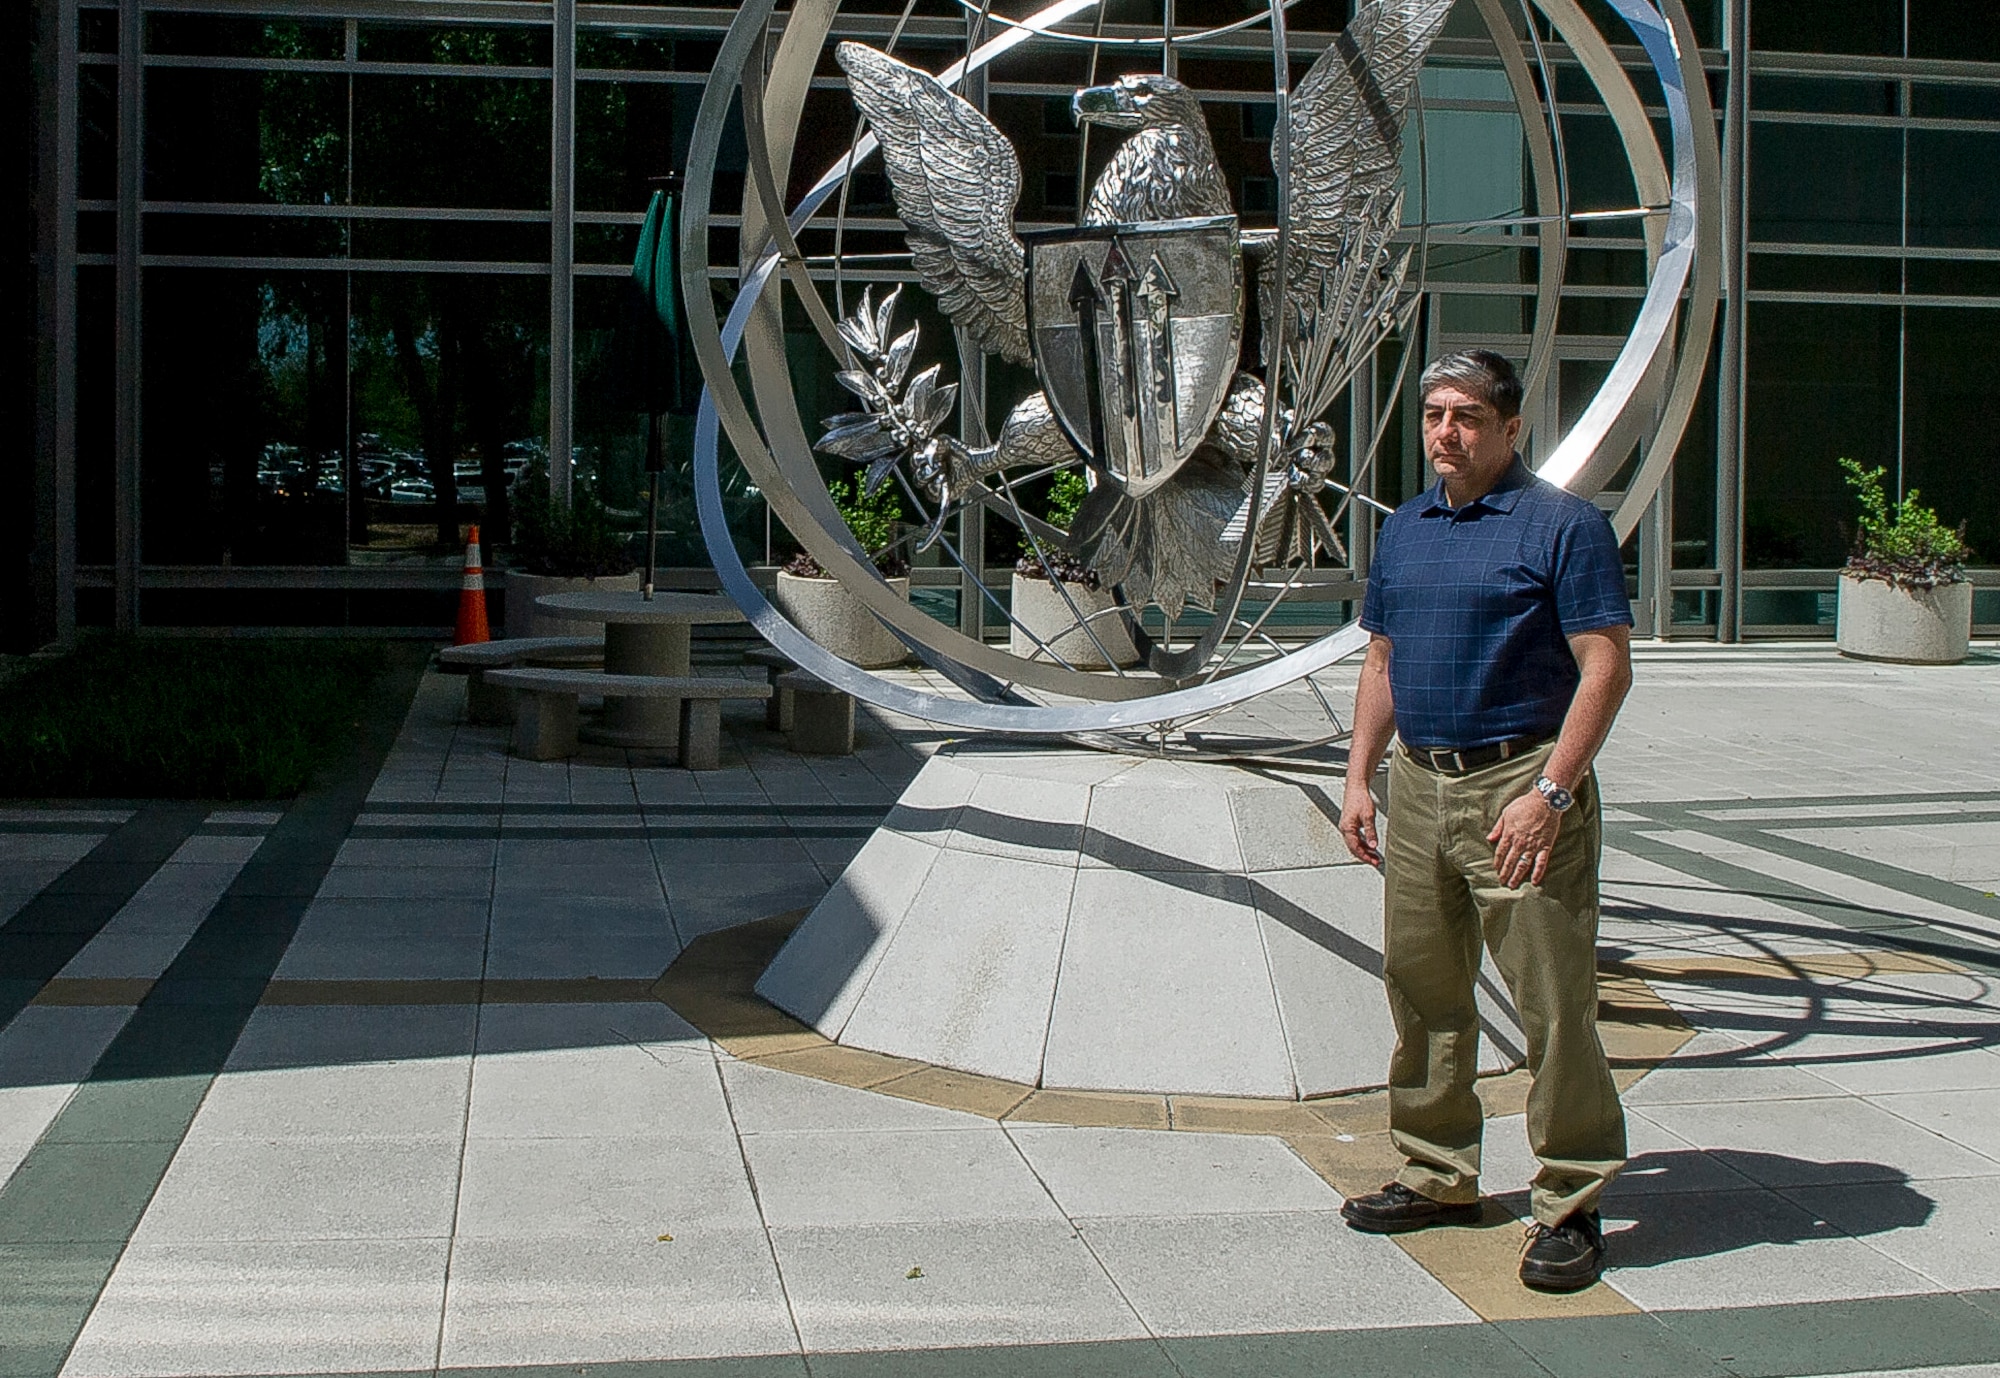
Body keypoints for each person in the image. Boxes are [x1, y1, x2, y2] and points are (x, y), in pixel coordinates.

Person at [1335, 349, 1635, 1293]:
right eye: (1433, 415)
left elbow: (1606, 666)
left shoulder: (1564, 525)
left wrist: (1551, 792)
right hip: (1420, 787)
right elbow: (1381, 660)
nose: (1445, 433)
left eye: (1467, 416)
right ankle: (1438, 1171)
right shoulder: (1408, 529)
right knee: (1423, 990)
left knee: (1552, 1003)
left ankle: (1574, 1200)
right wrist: (1359, 780)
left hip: (1518, 785)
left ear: (1510, 429)